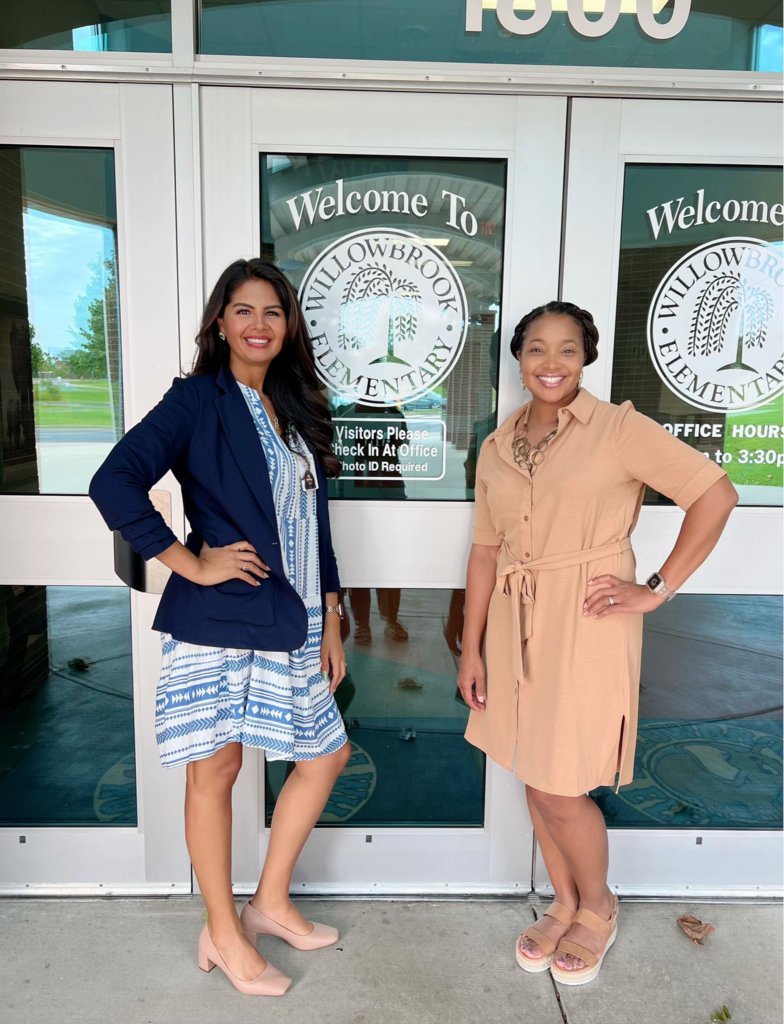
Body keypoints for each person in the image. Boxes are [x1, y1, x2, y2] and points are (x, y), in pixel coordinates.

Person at [90, 258, 351, 997]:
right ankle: (223, 930)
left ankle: (267, 903)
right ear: (219, 323)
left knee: (325, 756)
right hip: (224, 622)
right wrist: (187, 561)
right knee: (219, 772)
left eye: (273, 312)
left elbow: (314, 524)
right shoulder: (198, 400)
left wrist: (331, 614)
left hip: (295, 621)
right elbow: (113, 480)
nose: (259, 325)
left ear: (288, 325)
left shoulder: (292, 408)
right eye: (243, 311)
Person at [457, 301, 737, 986]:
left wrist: (656, 586)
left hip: (585, 619)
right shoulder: (496, 445)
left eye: (568, 350)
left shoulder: (618, 429)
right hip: (511, 619)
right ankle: (563, 900)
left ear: (587, 358)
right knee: (530, 764)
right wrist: (471, 648)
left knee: (562, 784)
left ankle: (599, 906)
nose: (551, 364)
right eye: (537, 350)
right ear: (519, 359)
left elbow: (716, 495)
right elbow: (486, 553)